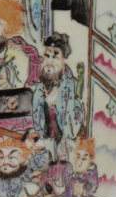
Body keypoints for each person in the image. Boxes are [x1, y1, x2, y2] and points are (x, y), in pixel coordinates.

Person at [32, 33, 84, 162]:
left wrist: (55, 105)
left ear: (63, 59)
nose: (50, 61)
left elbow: (73, 126)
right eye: (47, 56)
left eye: (55, 56)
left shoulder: (70, 85)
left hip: (63, 143)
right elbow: (36, 118)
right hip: (45, 142)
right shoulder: (40, 86)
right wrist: (46, 104)